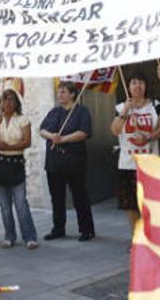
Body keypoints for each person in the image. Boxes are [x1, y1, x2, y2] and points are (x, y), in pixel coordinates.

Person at [39, 82, 95, 242]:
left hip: (74, 160)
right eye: (59, 92)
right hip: (54, 161)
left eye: (63, 92)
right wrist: (52, 136)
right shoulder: (54, 111)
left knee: (79, 196)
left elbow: (84, 132)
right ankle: (58, 228)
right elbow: (42, 130)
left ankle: (86, 229)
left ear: (72, 94)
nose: (60, 94)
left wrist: (63, 139)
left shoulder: (81, 111)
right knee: (56, 197)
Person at [0, 87, 37, 249]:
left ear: (16, 103)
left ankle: (29, 236)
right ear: (0, 102)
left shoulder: (22, 119)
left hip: (16, 162)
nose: (8, 103)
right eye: (5, 99)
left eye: (11, 100)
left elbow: (26, 142)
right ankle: (9, 235)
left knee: (21, 202)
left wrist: (7, 147)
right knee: (4, 205)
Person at [110, 71, 160, 228]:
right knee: (130, 204)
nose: (137, 86)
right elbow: (114, 130)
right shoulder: (120, 108)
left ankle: (152, 235)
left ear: (146, 85)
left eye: (141, 82)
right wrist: (125, 111)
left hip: (150, 162)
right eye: (133, 82)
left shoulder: (156, 106)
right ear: (129, 86)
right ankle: (136, 237)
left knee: (151, 203)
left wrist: (148, 137)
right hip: (127, 163)